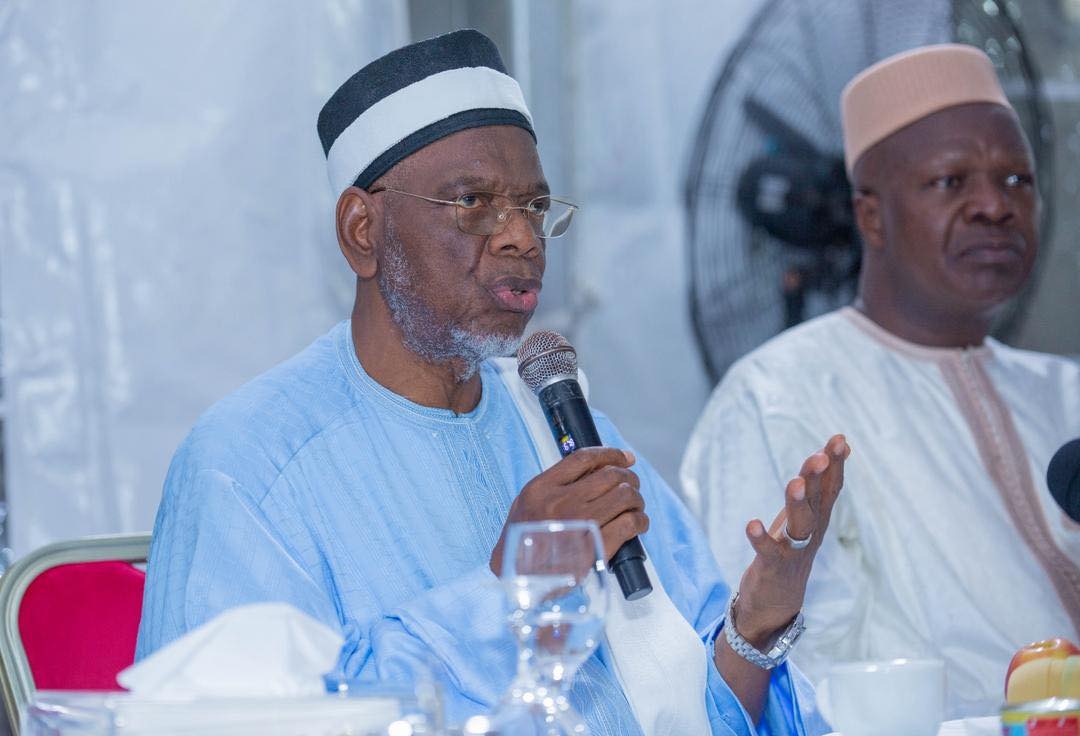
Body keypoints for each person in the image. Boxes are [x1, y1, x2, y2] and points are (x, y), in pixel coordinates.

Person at [135, 30, 848, 735]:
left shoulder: (563, 429)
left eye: (534, 207)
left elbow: (697, 713)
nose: (522, 239)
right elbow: (251, 720)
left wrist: (757, 623)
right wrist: (508, 590)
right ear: (362, 230)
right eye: (474, 202)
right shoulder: (248, 466)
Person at [681, 43, 1080, 719]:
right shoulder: (776, 397)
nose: (995, 206)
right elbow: (773, 679)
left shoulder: (1065, 392)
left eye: (1017, 179)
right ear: (870, 216)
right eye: (951, 182)